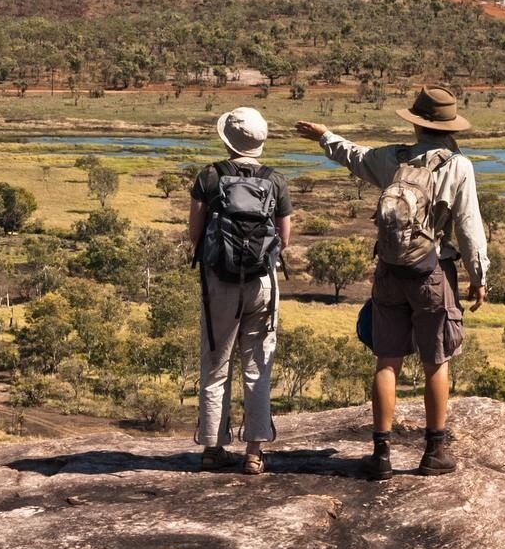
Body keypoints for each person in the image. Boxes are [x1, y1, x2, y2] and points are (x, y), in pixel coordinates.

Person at [295, 86, 488, 480]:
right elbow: (469, 227)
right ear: (451, 127)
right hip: (432, 272)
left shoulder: (392, 158)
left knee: (387, 360)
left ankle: (380, 456)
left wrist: (324, 136)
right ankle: (434, 452)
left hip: (388, 271)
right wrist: (479, 276)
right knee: (436, 361)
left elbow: (354, 156)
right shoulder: (458, 166)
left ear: (416, 123)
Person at [188, 107, 293, 474]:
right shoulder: (275, 180)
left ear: (227, 140)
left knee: (215, 366)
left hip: (219, 282)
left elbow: (195, 233)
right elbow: (285, 238)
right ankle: (254, 452)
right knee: (257, 368)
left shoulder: (209, 176)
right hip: (262, 283)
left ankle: (212, 448)